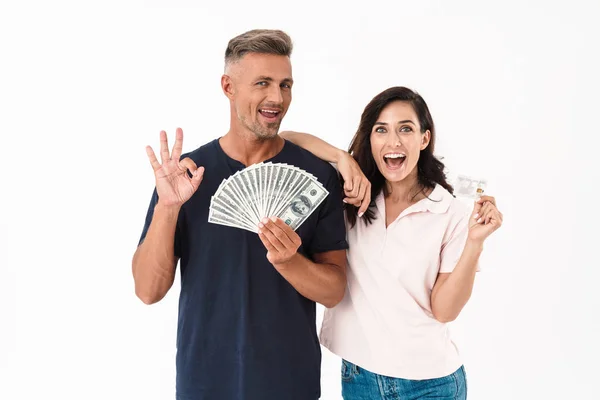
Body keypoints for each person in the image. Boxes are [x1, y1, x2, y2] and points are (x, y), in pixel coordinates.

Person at [132, 29, 349, 400]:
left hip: (290, 384)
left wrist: (289, 262)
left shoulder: (318, 177)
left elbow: (334, 292)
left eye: (285, 85)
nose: (276, 98)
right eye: (262, 83)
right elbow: (148, 291)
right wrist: (168, 208)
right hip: (204, 383)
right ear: (228, 87)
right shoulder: (186, 175)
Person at [280, 86, 503, 399]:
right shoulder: (351, 192)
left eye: (406, 129)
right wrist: (341, 158)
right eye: (381, 130)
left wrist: (475, 243)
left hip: (431, 384)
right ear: (369, 138)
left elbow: (444, 310)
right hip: (360, 379)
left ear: (424, 139)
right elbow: (284, 139)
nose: (393, 142)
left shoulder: (450, 212)